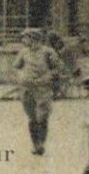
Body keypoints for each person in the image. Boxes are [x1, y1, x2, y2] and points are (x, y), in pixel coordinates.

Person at [15, 28, 63, 156]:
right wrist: (20, 76)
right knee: (32, 118)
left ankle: (41, 143)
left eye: (25, 37)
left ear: (33, 38)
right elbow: (16, 67)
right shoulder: (23, 52)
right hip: (27, 89)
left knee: (42, 116)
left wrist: (49, 76)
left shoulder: (48, 52)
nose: (23, 40)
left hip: (43, 89)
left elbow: (58, 67)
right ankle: (35, 144)